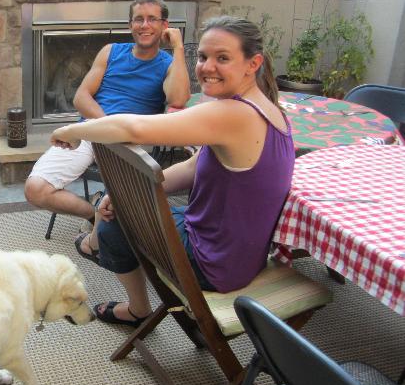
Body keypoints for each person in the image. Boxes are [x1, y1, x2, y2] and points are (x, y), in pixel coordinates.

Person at [50, 16, 295, 327]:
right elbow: (193, 165)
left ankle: (135, 306)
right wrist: (131, 194)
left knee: (113, 222)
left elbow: (135, 128)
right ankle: (95, 242)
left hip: (213, 263)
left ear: (253, 63)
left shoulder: (235, 114)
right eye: (203, 57)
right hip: (238, 256)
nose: (207, 67)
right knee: (120, 205)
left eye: (223, 58)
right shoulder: (266, 107)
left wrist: (73, 130)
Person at [24, 0, 190, 244]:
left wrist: (178, 47)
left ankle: (103, 226)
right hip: (90, 132)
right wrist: (108, 127)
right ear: (130, 24)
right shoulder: (110, 51)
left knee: (127, 223)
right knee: (35, 190)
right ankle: (93, 214)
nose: (144, 25)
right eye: (138, 19)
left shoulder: (168, 64)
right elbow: (81, 98)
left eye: (152, 19)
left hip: (131, 143)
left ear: (164, 25)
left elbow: (178, 98)